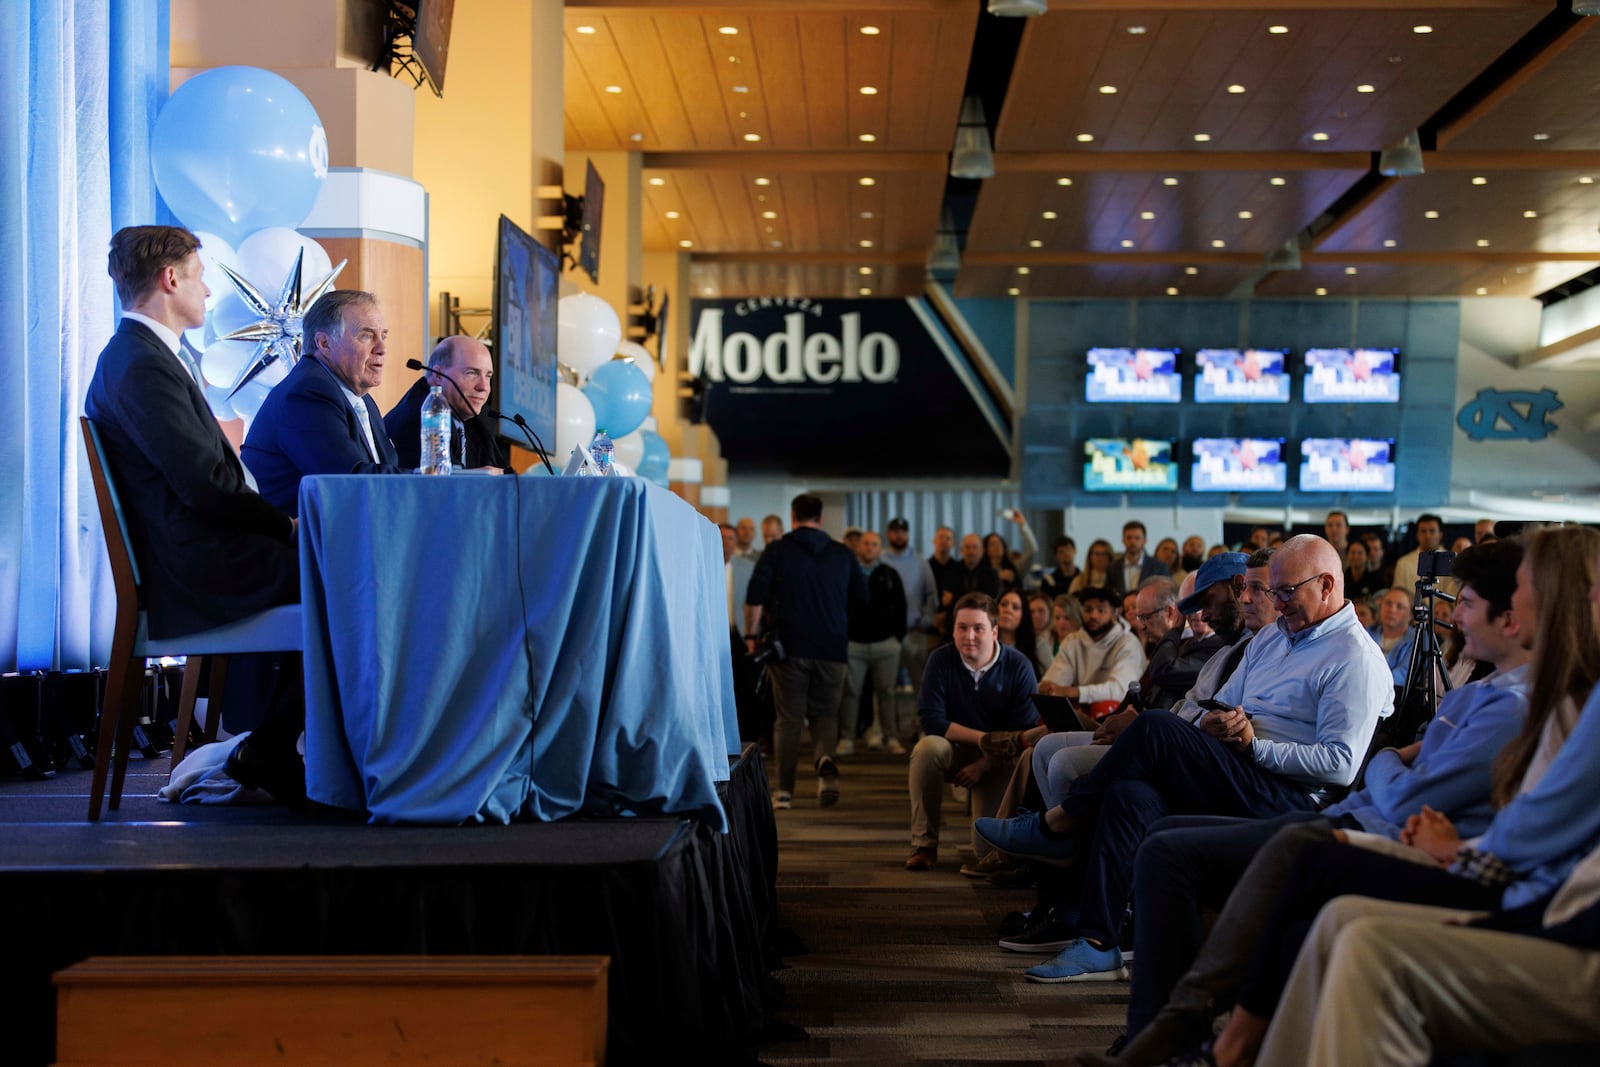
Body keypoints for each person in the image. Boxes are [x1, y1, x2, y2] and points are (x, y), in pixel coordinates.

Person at [1139, 525, 1600, 1067]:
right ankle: (1187, 1033)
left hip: (1383, 827)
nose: (1455, 613)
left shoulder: (1520, 701)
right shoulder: (1490, 690)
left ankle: (1192, 1036)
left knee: (1280, 858)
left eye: (1477, 601)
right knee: (1150, 812)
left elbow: (1380, 781)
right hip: (1375, 817)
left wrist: (1385, 763)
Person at [975, 535, 1393, 983]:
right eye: (1273, 591)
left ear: (1327, 585)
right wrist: (1217, 726)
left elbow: (1340, 764)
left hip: (1290, 798)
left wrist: (1254, 746)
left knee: (1154, 727)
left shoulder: (1354, 657)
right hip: (1241, 767)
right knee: (1128, 794)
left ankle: (1056, 824)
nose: (1277, 603)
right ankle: (1100, 941)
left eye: (1285, 593)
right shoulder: (1273, 639)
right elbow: (1221, 701)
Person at [84, 225, 304, 803]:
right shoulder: (139, 363)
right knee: (359, 583)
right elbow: (204, 484)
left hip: (202, 550)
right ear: (170, 277)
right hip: (197, 566)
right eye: (201, 277)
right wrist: (285, 527)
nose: (208, 293)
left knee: (348, 573)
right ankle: (273, 751)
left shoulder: (147, 356)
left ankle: (280, 748)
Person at [744, 493, 866, 811]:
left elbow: (755, 594)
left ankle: (784, 791)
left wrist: (751, 635)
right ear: (821, 518)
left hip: (790, 648)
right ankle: (824, 763)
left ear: (793, 516)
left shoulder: (778, 550)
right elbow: (863, 598)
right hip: (833, 648)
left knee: (789, 718)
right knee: (825, 714)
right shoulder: (842, 553)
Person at [906, 592, 1041, 871]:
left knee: (985, 852)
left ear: (994, 631)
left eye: (978, 628)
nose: (969, 636)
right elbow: (932, 721)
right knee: (926, 748)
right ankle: (924, 845)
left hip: (1001, 759)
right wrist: (982, 740)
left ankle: (992, 847)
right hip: (953, 748)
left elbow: (1023, 733)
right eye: (962, 627)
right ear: (953, 629)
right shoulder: (940, 660)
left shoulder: (1019, 666)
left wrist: (984, 762)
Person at [242, 289, 404, 516]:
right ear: (324, 343)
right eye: (367, 335)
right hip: (295, 546)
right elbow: (348, 482)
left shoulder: (362, 400)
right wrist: (432, 481)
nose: (382, 348)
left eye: (383, 336)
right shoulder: (306, 394)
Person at [383, 335, 506, 472]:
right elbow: (441, 485)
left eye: (488, 376)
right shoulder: (421, 419)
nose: (483, 387)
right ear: (438, 376)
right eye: (472, 373)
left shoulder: (475, 422)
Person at [837, 530, 906, 757]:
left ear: (880, 548)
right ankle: (846, 738)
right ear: (859, 547)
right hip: (854, 644)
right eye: (865, 544)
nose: (869, 548)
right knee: (850, 693)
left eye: (874, 544)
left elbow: (901, 608)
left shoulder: (890, 574)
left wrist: (897, 637)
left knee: (887, 693)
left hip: (885, 644)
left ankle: (891, 737)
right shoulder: (847, 572)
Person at [882, 517, 939, 755]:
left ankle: (922, 729)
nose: (899, 536)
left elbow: (931, 595)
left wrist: (924, 622)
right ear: (888, 534)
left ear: (907, 534)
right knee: (885, 687)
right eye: (894, 531)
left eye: (902, 532)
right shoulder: (881, 560)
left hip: (914, 632)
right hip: (886, 635)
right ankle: (888, 734)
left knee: (920, 685)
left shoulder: (920, 562)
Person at [1036, 586, 1143, 703]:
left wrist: (1072, 692)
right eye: (1088, 610)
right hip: (1081, 711)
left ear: (1115, 613)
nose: (1093, 616)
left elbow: (1120, 691)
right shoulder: (1073, 641)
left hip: (1118, 714)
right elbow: (1055, 684)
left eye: (1101, 610)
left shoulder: (1128, 643)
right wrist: (1048, 688)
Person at [938, 534, 1001, 640]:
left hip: (981, 627)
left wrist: (954, 597)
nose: (971, 551)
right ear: (961, 550)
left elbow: (986, 602)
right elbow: (945, 601)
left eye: (975, 547)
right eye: (967, 547)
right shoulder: (951, 572)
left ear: (982, 551)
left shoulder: (991, 574)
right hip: (954, 628)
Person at [1369, 586, 1418, 687]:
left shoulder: (1418, 639)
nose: (1391, 609)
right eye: (1388, 603)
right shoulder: (1367, 633)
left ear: (1410, 615)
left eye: (1399, 607)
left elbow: (1404, 674)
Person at [1109, 520, 1171, 597]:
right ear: (1123, 540)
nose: (1132, 541)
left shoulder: (1159, 567)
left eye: (1137, 538)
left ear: (1145, 540)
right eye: (1129, 538)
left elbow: (1166, 594)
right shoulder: (1113, 567)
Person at [996, 589, 1045, 678]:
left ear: (1024, 615)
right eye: (1004, 604)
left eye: (1015, 607)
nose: (1008, 610)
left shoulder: (1038, 644)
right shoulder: (985, 642)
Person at [1392, 512, 1444, 592]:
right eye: (1423, 531)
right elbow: (1399, 593)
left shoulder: (1451, 562)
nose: (1427, 535)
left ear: (1440, 534)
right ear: (1417, 535)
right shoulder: (1403, 563)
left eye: (1432, 531)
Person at [1342, 537, 1385, 601]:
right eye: (1352, 553)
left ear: (1367, 556)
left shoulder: (1375, 580)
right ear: (1347, 555)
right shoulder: (1341, 578)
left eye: (1360, 553)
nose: (1356, 557)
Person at [1038, 536, 1080, 601]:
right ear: (1056, 556)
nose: (1066, 553)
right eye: (1061, 551)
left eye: (1068, 549)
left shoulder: (1082, 578)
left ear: (1075, 551)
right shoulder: (1049, 580)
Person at [983, 531, 1023, 596]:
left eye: (999, 542)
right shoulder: (982, 568)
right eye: (993, 544)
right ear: (986, 549)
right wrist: (997, 576)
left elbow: (1019, 589)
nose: (997, 546)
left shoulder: (1010, 566)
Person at [1029, 591, 1057, 664]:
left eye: (1041, 611)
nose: (1036, 615)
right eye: (1032, 612)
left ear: (1050, 612)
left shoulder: (1058, 637)